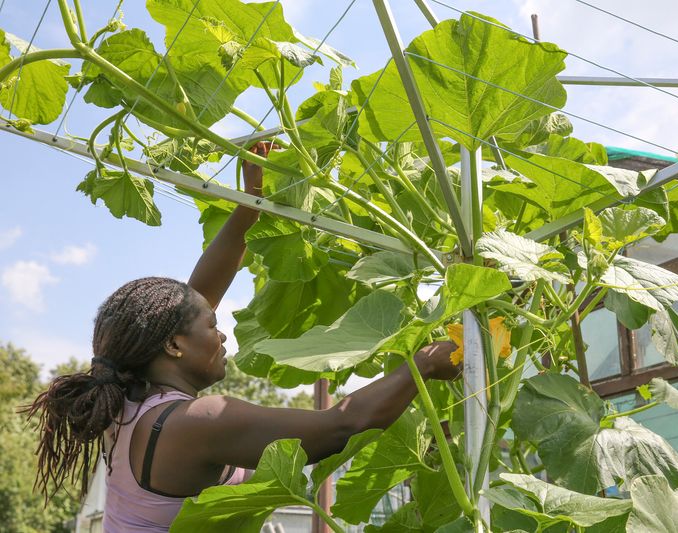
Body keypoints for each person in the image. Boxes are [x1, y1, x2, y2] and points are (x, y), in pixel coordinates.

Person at [24, 142, 459, 532]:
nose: (224, 335)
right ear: (174, 346)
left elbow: (192, 302)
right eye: (213, 327)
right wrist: (422, 363)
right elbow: (342, 424)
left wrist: (251, 204)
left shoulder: (126, 401)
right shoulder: (198, 422)